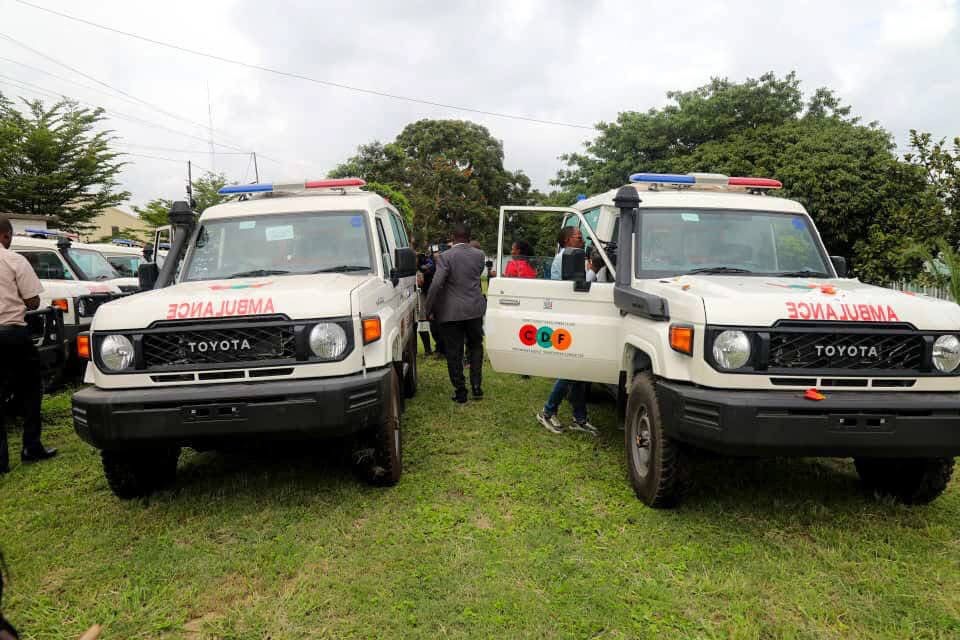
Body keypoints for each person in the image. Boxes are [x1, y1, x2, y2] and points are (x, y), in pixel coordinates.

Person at [0, 217, 57, 473]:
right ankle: (30, 446)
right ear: (5, 235)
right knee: (32, 388)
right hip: (12, 333)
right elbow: (33, 301)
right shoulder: (13, 260)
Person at [536, 226, 597, 436]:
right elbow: (578, 287)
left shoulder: (574, 256)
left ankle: (579, 418)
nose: (582, 241)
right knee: (571, 368)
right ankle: (547, 411)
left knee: (579, 370)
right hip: (567, 317)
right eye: (578, 238)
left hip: (575, 316)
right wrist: (594, 271)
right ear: (566, 240)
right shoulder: (567, 258)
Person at [425, 223, 486, 404]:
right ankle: (476, 386)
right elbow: (475, 277)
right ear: (469, 237)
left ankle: (461, 391)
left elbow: (436, 284)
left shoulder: (445, 256)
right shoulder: (480, 255)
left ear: (453, 237)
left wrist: (428, 308)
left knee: (454, 351)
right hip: (474, 309)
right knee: (476, 346)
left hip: (451, 312)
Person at [416, 251, 435, 355]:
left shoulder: (426, 264)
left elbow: (421, 282)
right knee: (419, 324)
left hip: (423, 296)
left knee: (423, 323)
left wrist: (421, 273)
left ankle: (428, 349)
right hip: (415, 297)